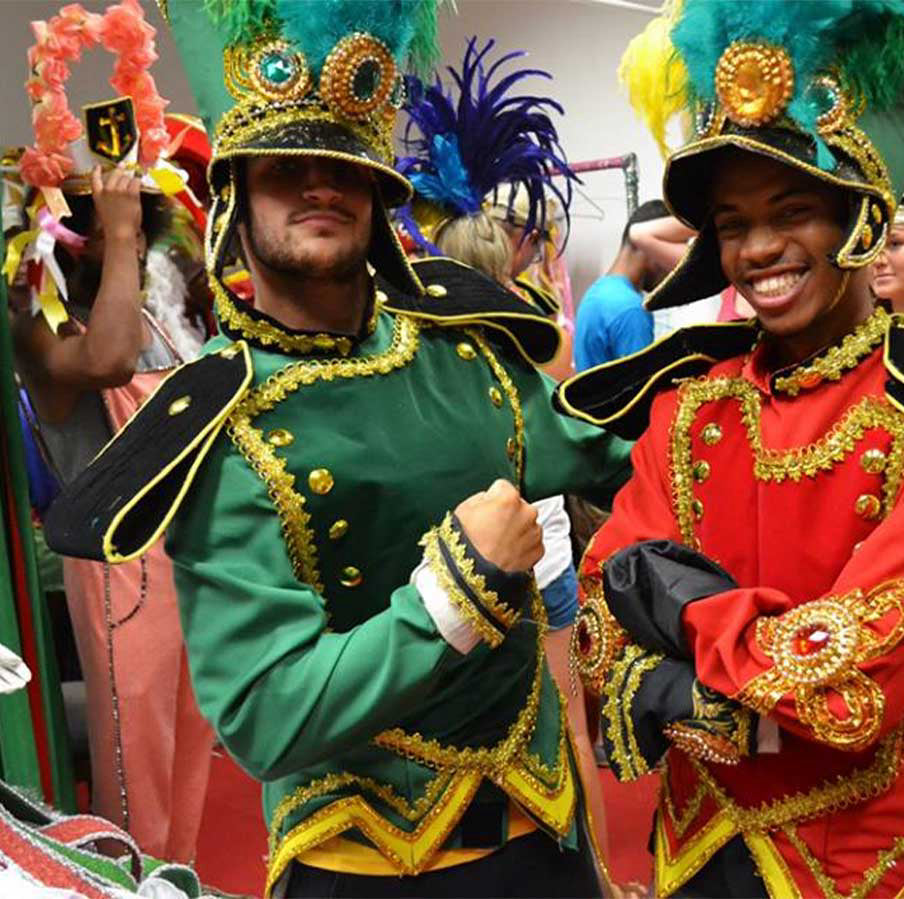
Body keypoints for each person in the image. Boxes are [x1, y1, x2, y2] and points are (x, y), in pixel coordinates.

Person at [47, 3, 633, 897]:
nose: (319, 185)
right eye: (286, 169)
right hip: (364, 866)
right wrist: (458, 585)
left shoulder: (461, 346)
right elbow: (267, 711)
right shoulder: (217, 415)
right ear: (237, 197)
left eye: (343, 167)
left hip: (543, 833)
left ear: (375, 191)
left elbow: (606, 449)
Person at [556, 2, 904, 897]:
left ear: (862, 217)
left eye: (793, 211)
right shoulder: (686, 409)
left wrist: (675, 610)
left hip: (876, 857)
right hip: (700, 843)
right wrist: (674, 634)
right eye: (734, 223)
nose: (759, 249)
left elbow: (845, 683)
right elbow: (596, 616)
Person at [396, 41, 627, 897]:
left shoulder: (427, 348)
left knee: (508, 725)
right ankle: (593, 878)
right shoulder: (538, 340)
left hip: (505, 562)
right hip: (533, 555)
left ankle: (587, 876)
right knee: (556, 721)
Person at [10, 0, 214, 857]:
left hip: (195, 542)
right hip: (118, 560)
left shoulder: (162, 287)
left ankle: (182, 877)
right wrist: (124, 235)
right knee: (137, 758)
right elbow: (106, 358)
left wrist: (153, 244)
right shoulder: (36, 313)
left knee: (194, 742)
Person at [574, 199, 671, 371]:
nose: (672, 271)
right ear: (650, 247)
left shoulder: (597, 291)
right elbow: (640, 390)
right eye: (667, 255)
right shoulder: (631, 310)